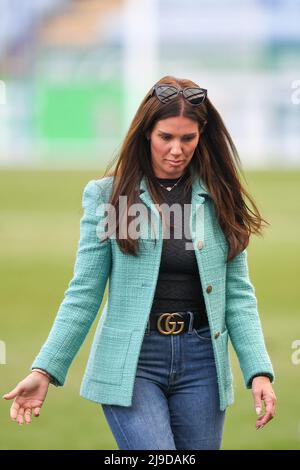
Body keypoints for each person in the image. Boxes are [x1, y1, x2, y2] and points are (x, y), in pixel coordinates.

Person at [3, 75, 276, 450]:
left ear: (202, 137)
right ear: (146, 133)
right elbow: (84, 292)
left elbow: (238, 294)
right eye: (166, 137)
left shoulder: (220, 197)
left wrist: (258, 372)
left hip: (203, 364)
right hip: (133, 364)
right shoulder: (107, 197)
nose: (177, 149)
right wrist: (45, 369)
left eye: (187, 138)